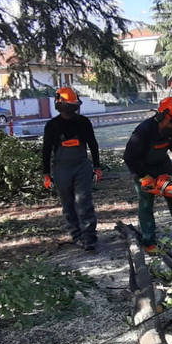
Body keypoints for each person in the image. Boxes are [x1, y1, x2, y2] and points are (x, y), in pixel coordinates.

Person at [123, 96, 172, 253]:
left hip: (162, 163)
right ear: (162, 116)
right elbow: (129, 157)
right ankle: (149, 240)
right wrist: (143, 176)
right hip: (142, 166)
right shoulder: (144, 131)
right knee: (146, 202)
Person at [42, 87, 102, 251]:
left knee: (84, 202)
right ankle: (77, 236)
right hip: (61, 169)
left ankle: (89, 238)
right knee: (68, 204)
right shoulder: (52, 126)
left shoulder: (83, 122)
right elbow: (46, 150)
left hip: (81, 166)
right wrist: (46, 173)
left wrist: (97, 166)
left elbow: (93, 145)